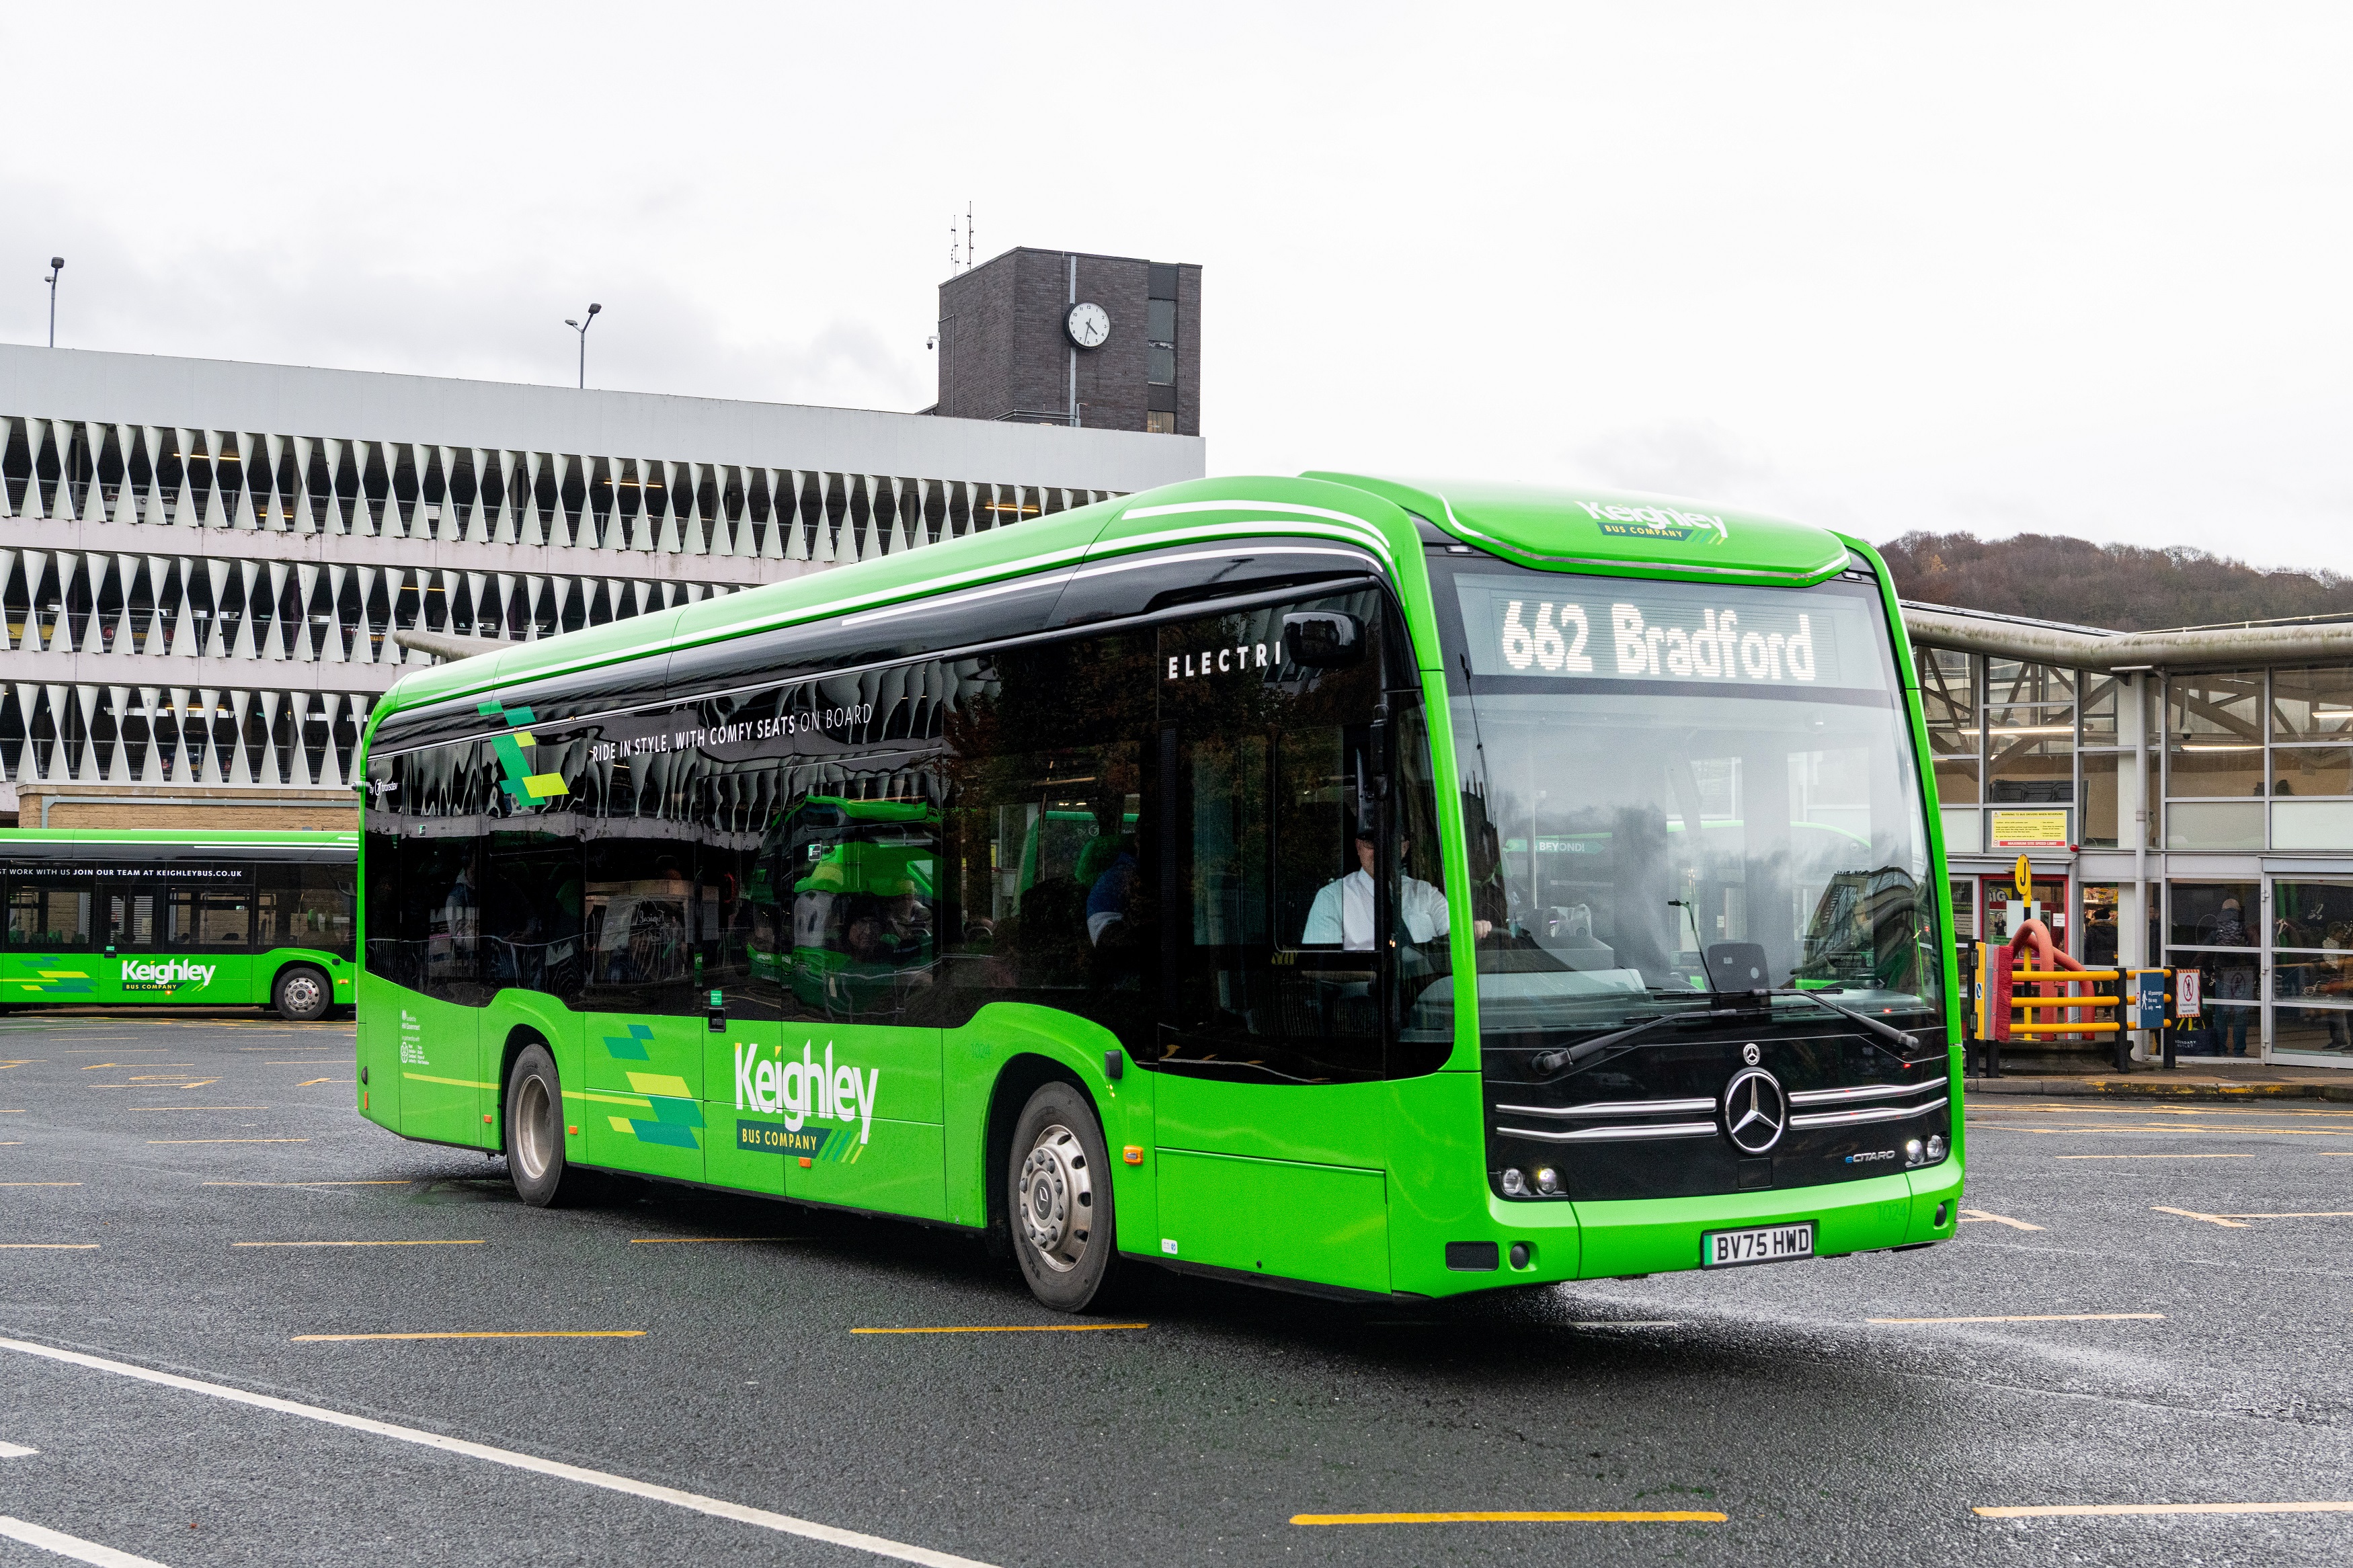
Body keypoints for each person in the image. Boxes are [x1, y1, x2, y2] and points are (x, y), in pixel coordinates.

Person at [1302, 826, 1489, 951]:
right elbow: (1316, 967)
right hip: (1362, 1003)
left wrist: (1472, 932)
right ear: (1358, 847)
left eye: (1391, 842)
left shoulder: (1426, 893)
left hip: (1428, 997)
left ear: (1404, 848)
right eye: (1372, 842)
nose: (1382, 850)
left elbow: (1453, 936)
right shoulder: (1332, 898)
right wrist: (1379, 974)